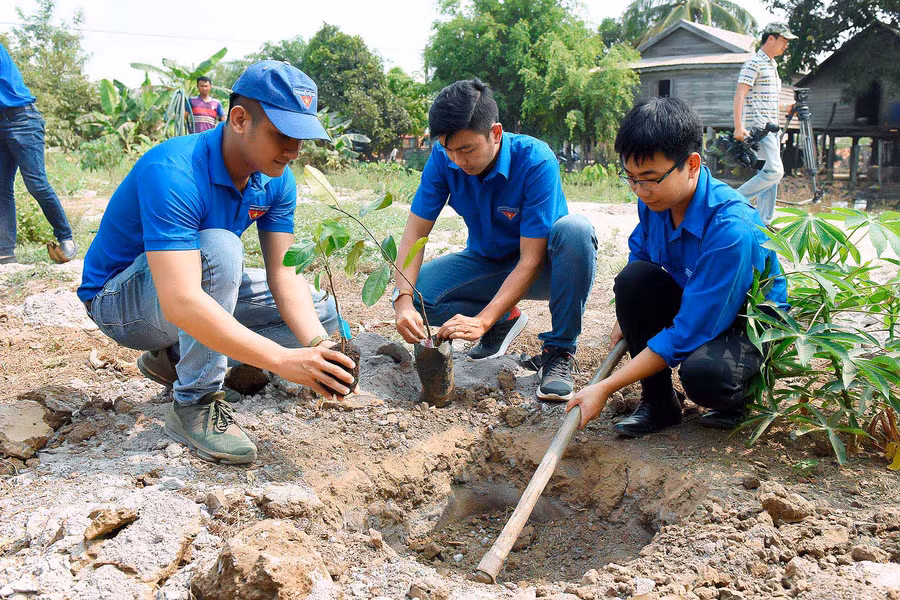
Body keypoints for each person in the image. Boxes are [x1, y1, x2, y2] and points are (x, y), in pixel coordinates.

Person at [78, 61, 356, 465]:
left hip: (185, 287)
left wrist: (317, 347)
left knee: (321, 314)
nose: (294, 151)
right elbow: (181, 301)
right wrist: (282, 360)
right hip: (121, 302)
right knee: (221, 249)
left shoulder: (276, 179)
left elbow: (283, 273)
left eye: (302, 137)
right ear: (239, 120)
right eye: (283, 134)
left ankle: (174, 359)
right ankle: (195, 402)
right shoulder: (173, 171)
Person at [566, 96, 789, 436]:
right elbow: (641, 257)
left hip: (747, 322)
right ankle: (659, 404)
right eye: (631, 178)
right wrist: (627, 317)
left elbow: (690, 330)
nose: (640, 190)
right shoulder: (655, 201)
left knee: (704, 375)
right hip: (697, 299)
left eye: (649, 178)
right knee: (633, 281)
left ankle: (736, 398)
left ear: (692, 164)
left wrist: (605, 387)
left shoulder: (732, 229)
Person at [392, 78, 597, 402]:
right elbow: (416, 232)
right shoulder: (443, 159)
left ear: (496, 133)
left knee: (576, 231)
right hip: (488, 264)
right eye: (449, 150)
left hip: (547, 268)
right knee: (420, 297)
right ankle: (504, 320)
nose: (457, 160)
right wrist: (402, 299)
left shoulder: (535, 161)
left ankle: (559, 351)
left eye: (467, 149)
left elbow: (530, 260)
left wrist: (480, 320)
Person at [0, 42, 77, 265]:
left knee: (36, 183)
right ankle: (5, 252)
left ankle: (66, 237)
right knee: (1, 188)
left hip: (22, 120)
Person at [733, 22, 798, 225]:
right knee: (775, 171)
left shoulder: (772, 65)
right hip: (759, 128)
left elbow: (766, 99)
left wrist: (786, 107)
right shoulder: (754, 63)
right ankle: (732, 201)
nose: (786, 45)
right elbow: (740, 94)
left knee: (768, 173)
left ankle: (764, 221)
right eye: (784, 40)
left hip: (772, 127)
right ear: (771, 38)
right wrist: (738, 126)